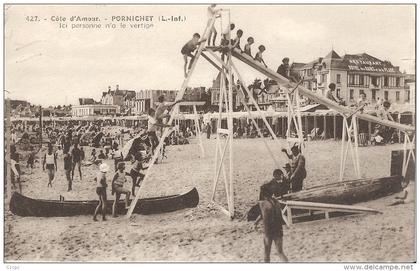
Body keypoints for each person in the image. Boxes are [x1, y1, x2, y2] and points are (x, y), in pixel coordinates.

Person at [254, 185, 288, 263]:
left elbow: (261, 214)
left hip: (268, 230)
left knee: (266, 254)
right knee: (280, 252)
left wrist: (255, 223)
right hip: (278, 228)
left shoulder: (262, 203)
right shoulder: (277, 202)